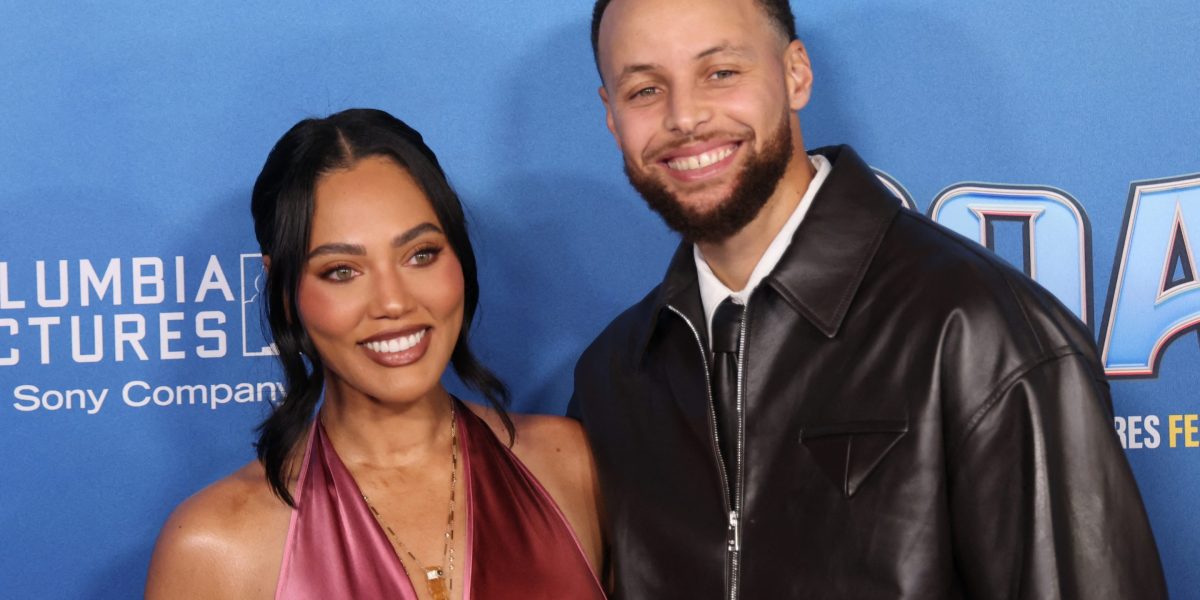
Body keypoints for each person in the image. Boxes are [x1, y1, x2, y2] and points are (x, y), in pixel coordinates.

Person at [570, 0, 1168, 598]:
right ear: (610, 115)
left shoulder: (983, 332)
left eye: (721, 72)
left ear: (796, 74)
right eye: (645, 90)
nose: (685, 117)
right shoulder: (613, 377)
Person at [146, 109, 605, 600]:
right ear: (284, 290)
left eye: (421, 254)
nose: (394, 302)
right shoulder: (216, 548)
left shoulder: (574, 467)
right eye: (342, 271)